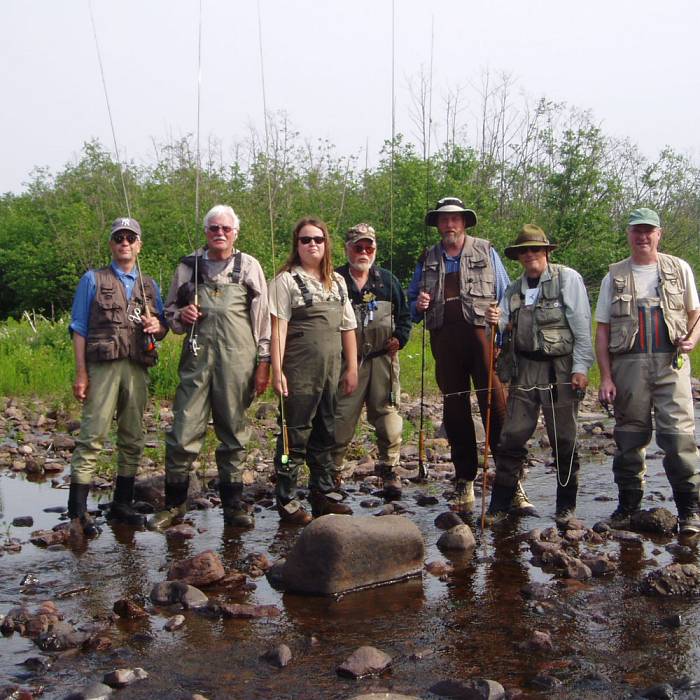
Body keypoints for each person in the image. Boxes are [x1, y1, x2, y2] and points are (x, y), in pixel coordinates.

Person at [149, 204, 271, 530]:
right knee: (183, 429)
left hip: (238, 361)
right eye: (213, 228)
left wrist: (264, 363)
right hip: (196, 358)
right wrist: (180, 316)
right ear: (206, 232)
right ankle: (174, 505)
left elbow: (262, 320)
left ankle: (233, 506)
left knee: (233, 431)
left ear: (235, 233)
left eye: (225, 229)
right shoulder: (188, 267)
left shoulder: (250, 267)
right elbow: (170, 316)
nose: (219, 234)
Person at [408, 196, 533, 512]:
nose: (450, 224)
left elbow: (508, 297)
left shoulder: (486, 251)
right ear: (438, 224)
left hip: (483, 341)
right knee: (455, 410)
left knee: (497, 408)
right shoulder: (427, 259)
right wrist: (419, 305)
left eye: (455, 219)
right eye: (444, 219)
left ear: (464, 222)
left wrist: (502, 323)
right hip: (445, 344)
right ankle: (464, 480)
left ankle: (511, 483)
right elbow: (412, 307)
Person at [595, 208, 700, 535]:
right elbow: (601, 330)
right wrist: (606, 377)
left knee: (678, 436)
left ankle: (689, 510)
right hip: (628, 367)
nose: (642, 236)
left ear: (659, 234)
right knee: (629, 437)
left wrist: (692, 340)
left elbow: (695, 313)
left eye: (648, 231)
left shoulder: (679, 268)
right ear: (628, 234)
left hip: (672, 364)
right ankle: (628, 506)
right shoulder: (613, 276)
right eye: (636, 231)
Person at [485, 225, 593, 523]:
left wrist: (581, 368)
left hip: (560, 369)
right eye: (524, 250)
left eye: (535, 249)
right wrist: (493, 321)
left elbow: (582, 326)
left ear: (546, 252)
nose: (529, 254)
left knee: (564, 438)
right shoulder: (513, 289)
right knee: (512, 436)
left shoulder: (567, 279)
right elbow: (499, 333)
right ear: (518, 256)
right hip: (524, 371)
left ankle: (565, 506)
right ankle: (500, 503)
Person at [68, 217, 168, 538]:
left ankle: (122, 502)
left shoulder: (150, 285)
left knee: (132, 436)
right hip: (103, 367)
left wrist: (159, 327)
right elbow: (79, 328)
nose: (125, 243)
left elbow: (163, 325)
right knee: (93, 435)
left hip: (137, 367)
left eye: (131, 238)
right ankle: (78, 511)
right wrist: (81, 373)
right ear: (111, 244)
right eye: (119, 238)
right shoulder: (92, 280)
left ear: (139, 244)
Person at [269, 217, 358, 524]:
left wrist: (352, 368)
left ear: (326, 243)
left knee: (326, 431)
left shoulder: (338, 282)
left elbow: (348, 327)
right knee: (291, 436)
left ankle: (322, 492)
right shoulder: (285, 281)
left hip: (332, 371)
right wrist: (276, 369)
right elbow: (278, 328)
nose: (312, 245)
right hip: (299, 370)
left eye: (318, 239)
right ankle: (286, 495)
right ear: (297, 245)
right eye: (305, 240)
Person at [332, 223, 412, 500]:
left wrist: (400, 339)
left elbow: (405, 318)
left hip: (383, 362)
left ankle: (389, 470)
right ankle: (333, 474)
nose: (364, 252)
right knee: (340, 418)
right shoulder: (335, 279)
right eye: (358, 247)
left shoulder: (388, 281)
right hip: (347, 363)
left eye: (369, 247)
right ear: (347, 249)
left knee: (389, 418)